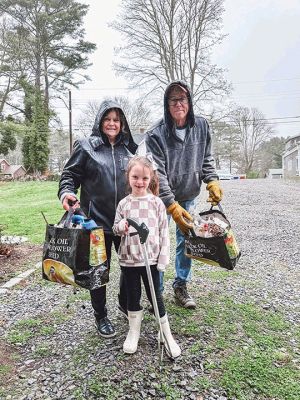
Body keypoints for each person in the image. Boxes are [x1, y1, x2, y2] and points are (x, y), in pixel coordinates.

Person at [58, 100, 138, 338]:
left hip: (125, 222)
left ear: (121, 123)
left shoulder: (129, 150)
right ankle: (101, 315)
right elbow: (69, 176)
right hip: (95, 223)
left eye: (116, 120)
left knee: (130, 267)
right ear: (100, 122)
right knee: (98, 272)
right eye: (107, 119)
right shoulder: (86, 147)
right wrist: (66, 192)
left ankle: (126, 304)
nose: (112, 124)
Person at [144, 81, 223, 309]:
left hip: (189, 193)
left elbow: (207, 158)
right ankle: (156, 293)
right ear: (167, 105)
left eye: (183, 99)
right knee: (158, 243)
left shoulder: (201, 126)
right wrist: (171, 205)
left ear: (189, 102)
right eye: (173, 100)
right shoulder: (155, 134)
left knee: (187, 240)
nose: (179, 104)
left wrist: (212, 180)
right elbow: (157, 175)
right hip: (162, 200)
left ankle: (181, 285)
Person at [113, 156, 181, 358]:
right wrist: (121, 227)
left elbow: (163, 233)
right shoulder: (124, 204)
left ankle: (166, 333)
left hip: (150, 259)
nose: (139, 182)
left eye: (144, 178)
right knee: (133, 295)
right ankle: (133, 332)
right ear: (129, 177)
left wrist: (163, 259)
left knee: (155, 295)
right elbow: (115, 227)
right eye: (135, 177)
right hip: (129, 258)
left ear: (150, 178)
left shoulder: (157, 203)